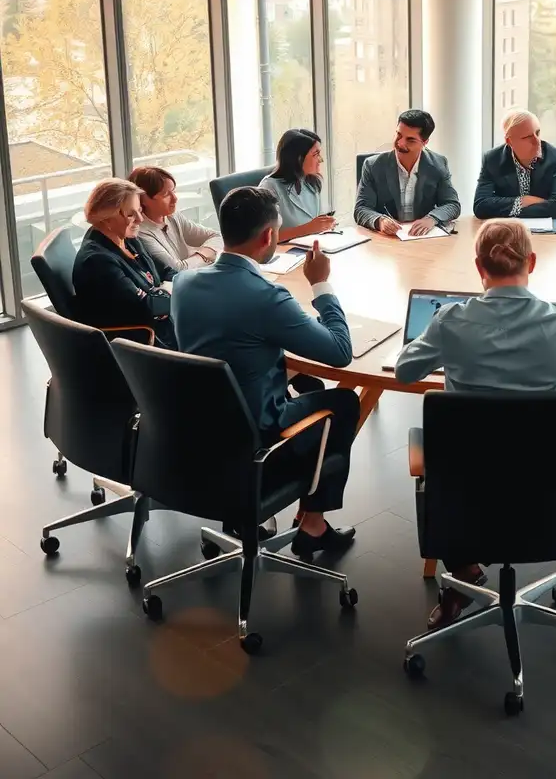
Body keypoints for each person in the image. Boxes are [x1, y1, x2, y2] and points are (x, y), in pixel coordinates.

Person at [395, 219, 556, 628]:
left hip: (468, 487)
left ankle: (462, 572)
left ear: (479, 267)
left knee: (442, 452)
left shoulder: (449, 321)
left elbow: (406, 370)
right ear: (531, 262)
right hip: (547, 488)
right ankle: (465, 573)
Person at [172, 186, 360, 559]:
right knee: (343, 401)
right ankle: (313, 525)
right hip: (254, 431)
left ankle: (256, 510)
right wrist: (321, 284)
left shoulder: (184, 283)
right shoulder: (265, 297)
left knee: (307, 383)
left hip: (198, 426)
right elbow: (340, 353)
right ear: (269, 236)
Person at [72, 178, 177, 348]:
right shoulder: (98, 262)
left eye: (140, 210)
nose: (140, 219)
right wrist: (168, 291)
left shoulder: (127, 239)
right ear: (105, 218)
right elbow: (151, 309)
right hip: (144, 343)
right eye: (130, 214)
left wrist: (164, 291)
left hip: (167, 322)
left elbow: (168, 271)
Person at [353, 109, 461, 236]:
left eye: (410, 140)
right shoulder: (373, 166)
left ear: (425, 142)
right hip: (386, 241)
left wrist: (432, 219)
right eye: (399, 135)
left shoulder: (438, 164)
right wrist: (379, 221)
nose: (400, 143)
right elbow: (361, 209)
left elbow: (452, 204)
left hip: (422, 239)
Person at [473, 110, 556, 220]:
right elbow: (480, 206)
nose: (537, 141)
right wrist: (522, 201)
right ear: (509, 141)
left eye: (537, 133)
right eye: (527, 137)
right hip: (510, 230)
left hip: (551, 231)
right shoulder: (492, 160)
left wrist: (507, 208)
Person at [130, 165, 222, 273]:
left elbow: (217, 236)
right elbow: (176, 270)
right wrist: (204, 255)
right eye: (165, 195)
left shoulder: (172, 216)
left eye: (173, 191)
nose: (175, 198)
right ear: (143, 198)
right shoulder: (140, 232)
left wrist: (195, 258)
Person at [259, 128, 336, 243]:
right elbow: (265, 238)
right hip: (285, 256)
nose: (321, 160)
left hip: (311, 248)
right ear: (299, 159)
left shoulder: (312, 182)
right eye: (316, 154)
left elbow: (317, 224)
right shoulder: (269, 188)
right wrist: (308, 229)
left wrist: (325, 225)